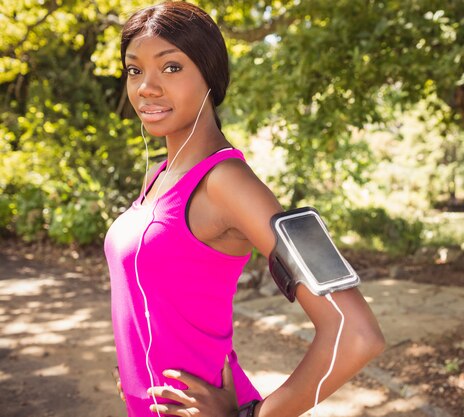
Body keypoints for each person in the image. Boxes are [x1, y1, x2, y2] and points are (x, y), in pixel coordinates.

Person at [104, 2, 385, 417]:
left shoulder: (227, 183)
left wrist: (253, 416)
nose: (146, 86)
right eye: (134, 69)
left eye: (171, 67)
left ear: (210, 76)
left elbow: (356, 333)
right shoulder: (159, 177)